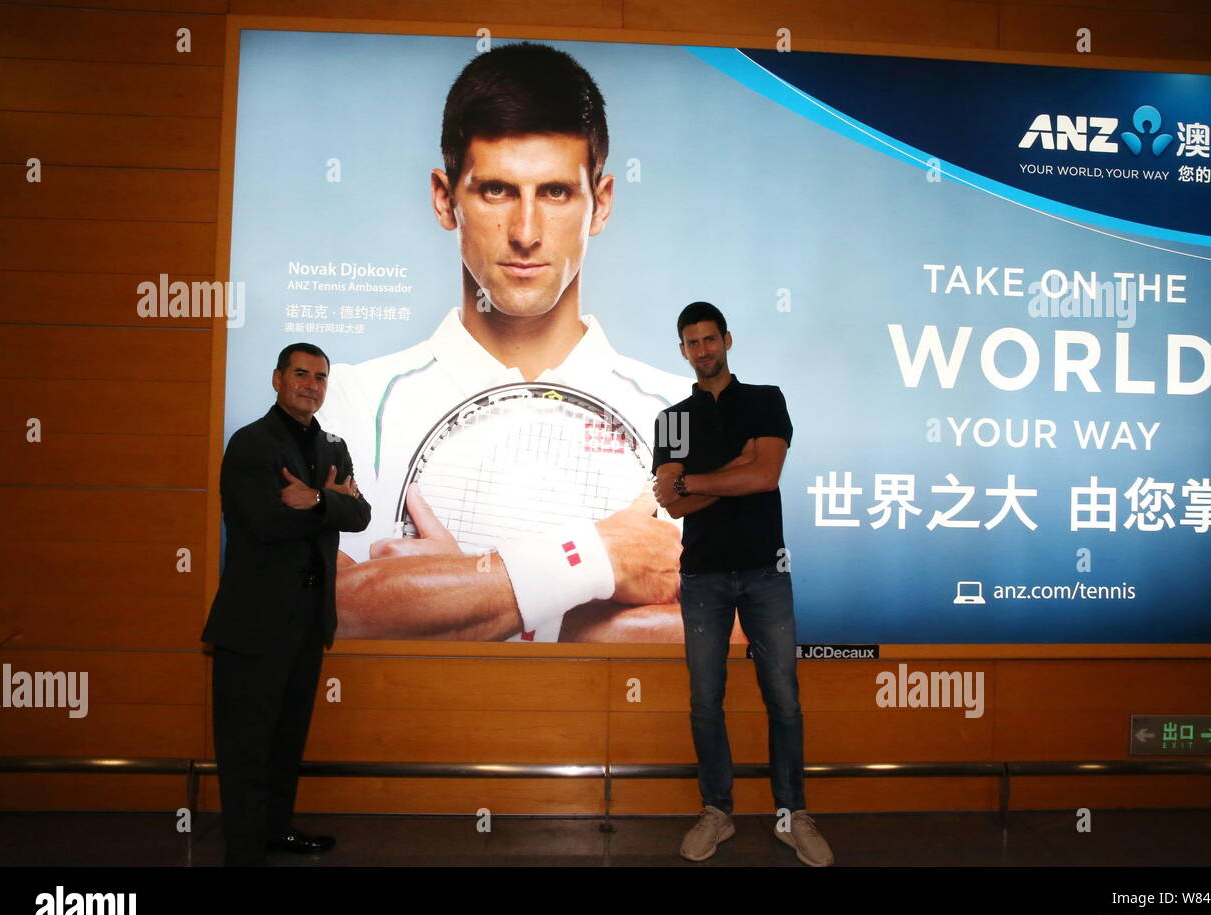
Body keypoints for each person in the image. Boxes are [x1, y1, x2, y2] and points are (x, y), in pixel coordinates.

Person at [317, 42, 692, 644]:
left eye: (555, 193)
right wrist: (599, 561)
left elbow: (739, 633)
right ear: (445, 199)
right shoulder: (349, 403)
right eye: (496, 191)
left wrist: (457, 591)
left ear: (601, 204)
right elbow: (325, 610)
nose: (525, 233)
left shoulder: (688, 413)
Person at [652, 302, 834, 867]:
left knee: (783, 697)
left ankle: (791, 815)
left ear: (727, 339)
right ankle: (717, 812)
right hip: (702, 575)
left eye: (711, 339)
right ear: (683, 350)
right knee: (706, 700)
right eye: (692, 342)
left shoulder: (765, 399)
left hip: (765, 572)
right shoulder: (673, 419)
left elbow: (766, 475)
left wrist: (699, 480)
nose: (703, 349)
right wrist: (737, 471)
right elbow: (669, 500)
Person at [201, 343, 371, 866]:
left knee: (287, 737)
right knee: (247, 744)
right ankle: (246, 850)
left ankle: (276, 831)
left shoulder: (333, 446)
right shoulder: (252, 444)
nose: (311, 385)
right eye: (301, 374)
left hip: (308, 619)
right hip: (255, 622)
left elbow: (360, 514)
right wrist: (328, 507)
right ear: (277, 379)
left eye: (321, 377)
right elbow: (265, 523)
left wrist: (316, 499)